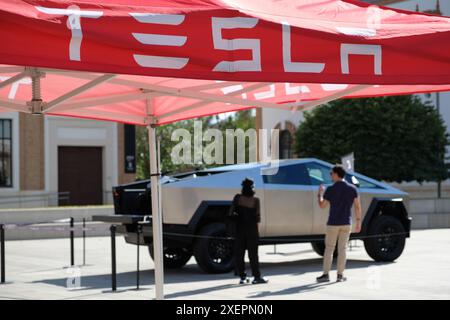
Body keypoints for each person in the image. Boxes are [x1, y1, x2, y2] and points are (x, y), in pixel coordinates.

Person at [316, 165, 362, 283]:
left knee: (329, 249)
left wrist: (319, 194)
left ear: (337, 174)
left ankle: (326, 275)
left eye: (331, 173)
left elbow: (322, 206)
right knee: (343, 250)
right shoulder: (352, 189)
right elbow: (357, 206)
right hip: (346, 223)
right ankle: (340, 275)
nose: (330, 175)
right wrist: (358, 221)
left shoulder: (330, 189)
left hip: (333, 223)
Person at [228, 178, 268, 284]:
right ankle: (256, 277)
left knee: (239, 254)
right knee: (253, 254)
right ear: (252, 187)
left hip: (239, 229)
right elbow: (257, 218)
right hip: (252, 230)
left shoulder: (237, 198)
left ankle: (242, 277)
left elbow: (230, 214)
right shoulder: (256, 200)